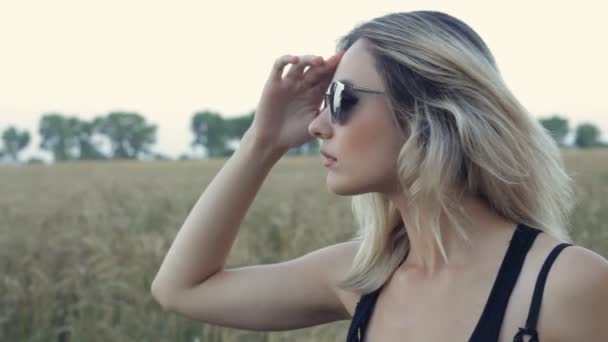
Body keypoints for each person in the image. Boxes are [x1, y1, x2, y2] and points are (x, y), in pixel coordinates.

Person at [151, 10, 608, 341]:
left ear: (429, 112)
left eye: (342, 99)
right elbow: (182, 291)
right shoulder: (365, 276)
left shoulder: (564, 284)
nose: (316, 125)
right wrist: (262, 140)